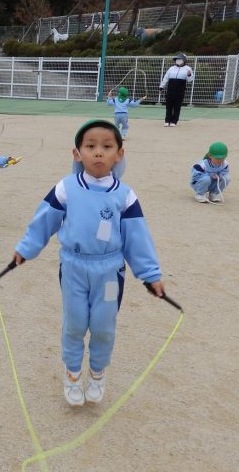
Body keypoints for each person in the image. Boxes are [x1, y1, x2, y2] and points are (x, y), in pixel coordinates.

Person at [11, 119, 165, 407]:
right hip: (73, 268)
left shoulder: (125, 196)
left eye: (106, 147)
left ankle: (97, 372)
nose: (98, 153)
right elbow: (43, 222)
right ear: (76, 153)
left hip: (109, 272)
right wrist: (25, 249)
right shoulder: (66, 188)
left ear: (119, 154)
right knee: (75, 323)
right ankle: (72, 375)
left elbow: (138, 239)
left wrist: (150, 275)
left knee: (104, 325)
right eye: (90, 146)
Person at [159, 53, 194, 126]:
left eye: (180, 59)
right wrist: (162, 86)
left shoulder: (188, 68)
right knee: (169, 105)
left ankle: (174, 121)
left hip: (180, 89)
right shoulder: (171, 68)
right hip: (170, 88)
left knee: (177, 106)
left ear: (184, 60)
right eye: (177, 59)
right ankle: (167, 120)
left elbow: (190, 80)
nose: (178, 61)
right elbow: (166, 77)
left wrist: (189, 75)